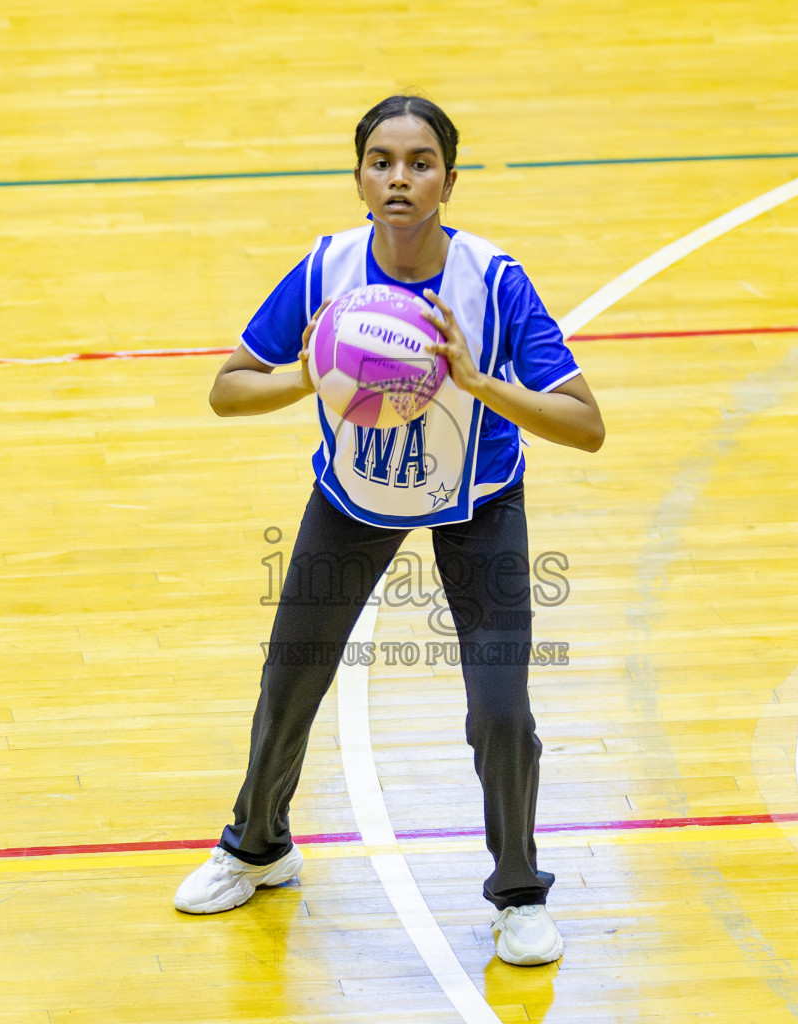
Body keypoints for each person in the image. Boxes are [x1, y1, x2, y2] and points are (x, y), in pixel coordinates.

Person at [174, 96, 604, 968]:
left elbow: (585, 423)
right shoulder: (328, 268)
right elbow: (227, 388)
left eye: (418, 162)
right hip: (353, 502)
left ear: (449, 176)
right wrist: (308, 370)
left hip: (480, 506)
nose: (399, 178)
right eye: (381, 161)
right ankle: (259, 847)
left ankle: (518, 893)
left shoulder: (493, 280)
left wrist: (482, 385)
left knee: (501, 712)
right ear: (359, 174)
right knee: (291, 676)